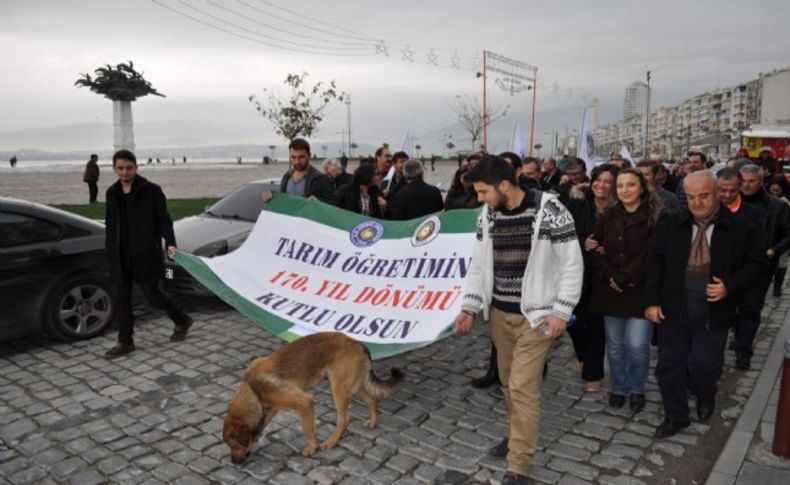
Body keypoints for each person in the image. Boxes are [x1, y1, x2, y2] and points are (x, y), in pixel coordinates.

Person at [454, 155, 583, 484]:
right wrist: (470, 307)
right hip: (499, 316)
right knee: (509, 386)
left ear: (505, 185)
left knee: (523, 389)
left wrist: (561, 312)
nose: (480, 198)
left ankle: (519, 465)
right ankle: (516, 435)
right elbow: (479, 264)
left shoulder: (550, 210)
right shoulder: (488, 214)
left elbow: (571, 263)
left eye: (484, 192)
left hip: (536, 319)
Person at [646, 171, 769, 437]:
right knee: (669, 368)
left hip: (714, 312)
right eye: (690, 197)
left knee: (705, 366)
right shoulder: (672, 223)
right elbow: (655, 263)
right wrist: (652, 301)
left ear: (716, 194)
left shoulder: (740, 227)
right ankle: (676, 416)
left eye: (703, 196)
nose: (697, 203)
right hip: (673, 311)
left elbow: (759, 265)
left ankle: (705, 394)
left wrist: (730, 285)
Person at [103, 150, 193, 359]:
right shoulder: (111, 193)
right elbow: (110, 223)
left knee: (153, 296)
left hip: (145, 255)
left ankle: (182, 319)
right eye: (120, 168)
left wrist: (170, 243)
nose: (124, 172)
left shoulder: (151, 191)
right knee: (121, 298)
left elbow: (164, 220)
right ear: (114, 169)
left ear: (136, 167)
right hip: (120, 256)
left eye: (128, 168)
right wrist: (110, 247)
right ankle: (125, 341)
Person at [587, 168, 664, 413]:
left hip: (641, 289)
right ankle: (619, 387)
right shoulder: (609, 215)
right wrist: (611, 275)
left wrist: (626, 277)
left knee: (638, 345)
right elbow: (595, 248)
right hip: (612, 290)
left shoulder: (656, 216)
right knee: (616, 344)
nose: (625, 191)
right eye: (620, 186)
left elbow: (652, 255)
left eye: (630, 185)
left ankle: (637, 388)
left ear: (642, 187)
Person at [565, 163, 620, 393]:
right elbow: (564, 232)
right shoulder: (578, 202)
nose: (601, 185)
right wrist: (582, 242)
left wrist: (608, 248)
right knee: (574, 322)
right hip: (576, 271)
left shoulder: (620, 208)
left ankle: (593, 373)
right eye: (598, 179)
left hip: (602, 276)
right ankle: (581, 354)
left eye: (608, 181)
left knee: (596, 325)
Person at [734, 164, 790, 369]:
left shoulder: (777, 206)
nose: (747, 185)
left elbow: (787, 233)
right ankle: (737, 334)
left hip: (761, 266)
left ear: (761, 181)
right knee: (733, 307)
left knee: (751, 308)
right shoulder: (730, 203)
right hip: (733, 266)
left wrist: (774, 250)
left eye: (751, 181)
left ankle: (744, 350)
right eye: (744, 181)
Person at [263, 138, 335, 204]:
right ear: (289, 157)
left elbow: (333, 205)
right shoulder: (286, 176)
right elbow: (282, 201)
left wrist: (318, 202)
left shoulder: (321, 179)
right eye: (293, 157)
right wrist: (271, 198)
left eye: (301, 157)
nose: (297, 161)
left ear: (309, 156)